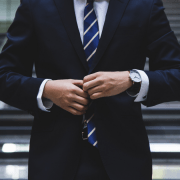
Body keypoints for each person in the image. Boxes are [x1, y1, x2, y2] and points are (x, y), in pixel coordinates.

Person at [0, 0, 180, 179]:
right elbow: (4, 76)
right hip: (53, 157)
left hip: (125, 157)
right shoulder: (35, 5)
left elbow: (176, 74)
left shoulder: (144, 5)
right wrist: (46, 89)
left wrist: (131, 79)